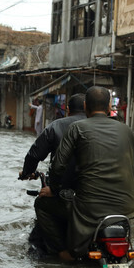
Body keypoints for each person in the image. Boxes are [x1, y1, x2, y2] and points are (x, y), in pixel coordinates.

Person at [46, 86, 134, 261]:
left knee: (42, 205)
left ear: (85, 107)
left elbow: (58, 167)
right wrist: (133, 193)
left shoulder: (76, 128)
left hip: (89, 208)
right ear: (109, 107)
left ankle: (64, 252)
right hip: (127, 207)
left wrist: (54, 190)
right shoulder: (127, 131)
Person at [19, 94, 87, 256]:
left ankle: (59, 251)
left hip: (66, 196)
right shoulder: (108, 130)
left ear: (68, 109)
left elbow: (34, 155)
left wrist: (28, 173)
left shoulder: (57, 126)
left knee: (41, 208)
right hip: (100, 198)